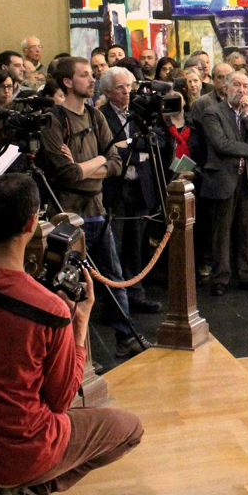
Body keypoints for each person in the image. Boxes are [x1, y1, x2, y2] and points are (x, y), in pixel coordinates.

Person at [0, 174, 142, 495]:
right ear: (32, 223)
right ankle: (31, 492)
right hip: (19, 454)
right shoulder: (49, 309)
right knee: (130, 429)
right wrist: (80, 322)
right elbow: (60, 400)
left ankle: (4, 489)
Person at [40, 57, 148, 357]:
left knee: (113, 277)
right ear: (67, 82)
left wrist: (91, 163)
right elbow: (66, 174)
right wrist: (94, 163)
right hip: (67, 215)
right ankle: (71, 352)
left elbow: (114, 162)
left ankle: (126, 337)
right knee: (69, 285)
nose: (92, 80)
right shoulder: (54, 121)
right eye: (85, 75)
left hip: (98, 208)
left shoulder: (94, 115)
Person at [99, 66, 162, 315]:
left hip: (140, 188)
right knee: (112, 247)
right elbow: (107, 150)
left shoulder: (141, 111)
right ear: (106, 91)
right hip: (114, 189)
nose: (127, 92)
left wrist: (130, 147)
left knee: (136, 246)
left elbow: (158, 140)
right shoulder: (101, 116)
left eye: (129, 86)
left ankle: (136, 295)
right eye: (120, 87)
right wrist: (138, 152)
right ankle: (112, 303)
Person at [201, 70, 248, 295]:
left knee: (247, 230)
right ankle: (220, 278)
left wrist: (247, 116)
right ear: (226, 88)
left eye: (245, 86)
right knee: (222, 232)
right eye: (236, 85)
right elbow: (221, 144)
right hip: (222, 179)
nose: (241, 90)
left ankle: (246, 274)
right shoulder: (212, 113)